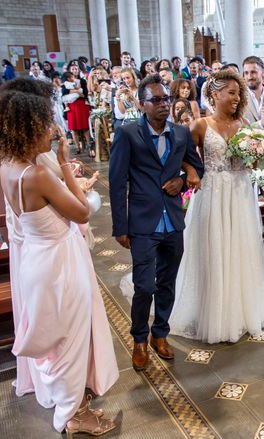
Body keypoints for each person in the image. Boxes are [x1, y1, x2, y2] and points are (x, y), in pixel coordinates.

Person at [0, 91, 118, 439]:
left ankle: (72, 405)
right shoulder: (37, 175)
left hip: (37, 259)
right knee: (71, 338)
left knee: (59, 337)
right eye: (45, 121)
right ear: (27, 127)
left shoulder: (9, 167)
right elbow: (82, 211)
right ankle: (74, 415)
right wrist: (64, 161)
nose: (51, 128)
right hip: (59, 263)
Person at [109, 74, 204, 371]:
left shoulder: (180, 133)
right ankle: (139, 338)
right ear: (141, 104)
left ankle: (159, 333)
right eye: (157, 100)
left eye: (166, 99)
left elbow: (196, 166)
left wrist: (180, 180)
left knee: (167, 283)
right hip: (142, 222)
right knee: (144, 286)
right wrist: (120, 227)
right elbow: (116, 183)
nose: (164, 104)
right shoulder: (127, 134)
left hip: (173, 221)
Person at [169, 70, 264, 343]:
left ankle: (239, 311)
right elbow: (179, 156)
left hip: (239, 194)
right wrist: (191, 169)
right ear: (214, 94)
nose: (237, 99)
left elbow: (252, 162)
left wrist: (254, 158)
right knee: (213, 249)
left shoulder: (245, 127)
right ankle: (213, 314)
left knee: (240, 249)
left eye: (239, 94)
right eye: (232, 93)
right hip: (212, 194)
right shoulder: (200, 126)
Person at [64, 62, 92, 154]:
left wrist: (76, 91)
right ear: (69, 71)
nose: (75, 71)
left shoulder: (83, 81)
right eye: (73, 69)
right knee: (74, 128)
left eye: (76, 69)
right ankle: (77, 147)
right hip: (71, 105)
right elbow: (65, 93)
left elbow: (84, 93)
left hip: (82, 104)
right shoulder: (65, 82)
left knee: (85, 126)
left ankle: (89, 145)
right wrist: (76, 91)